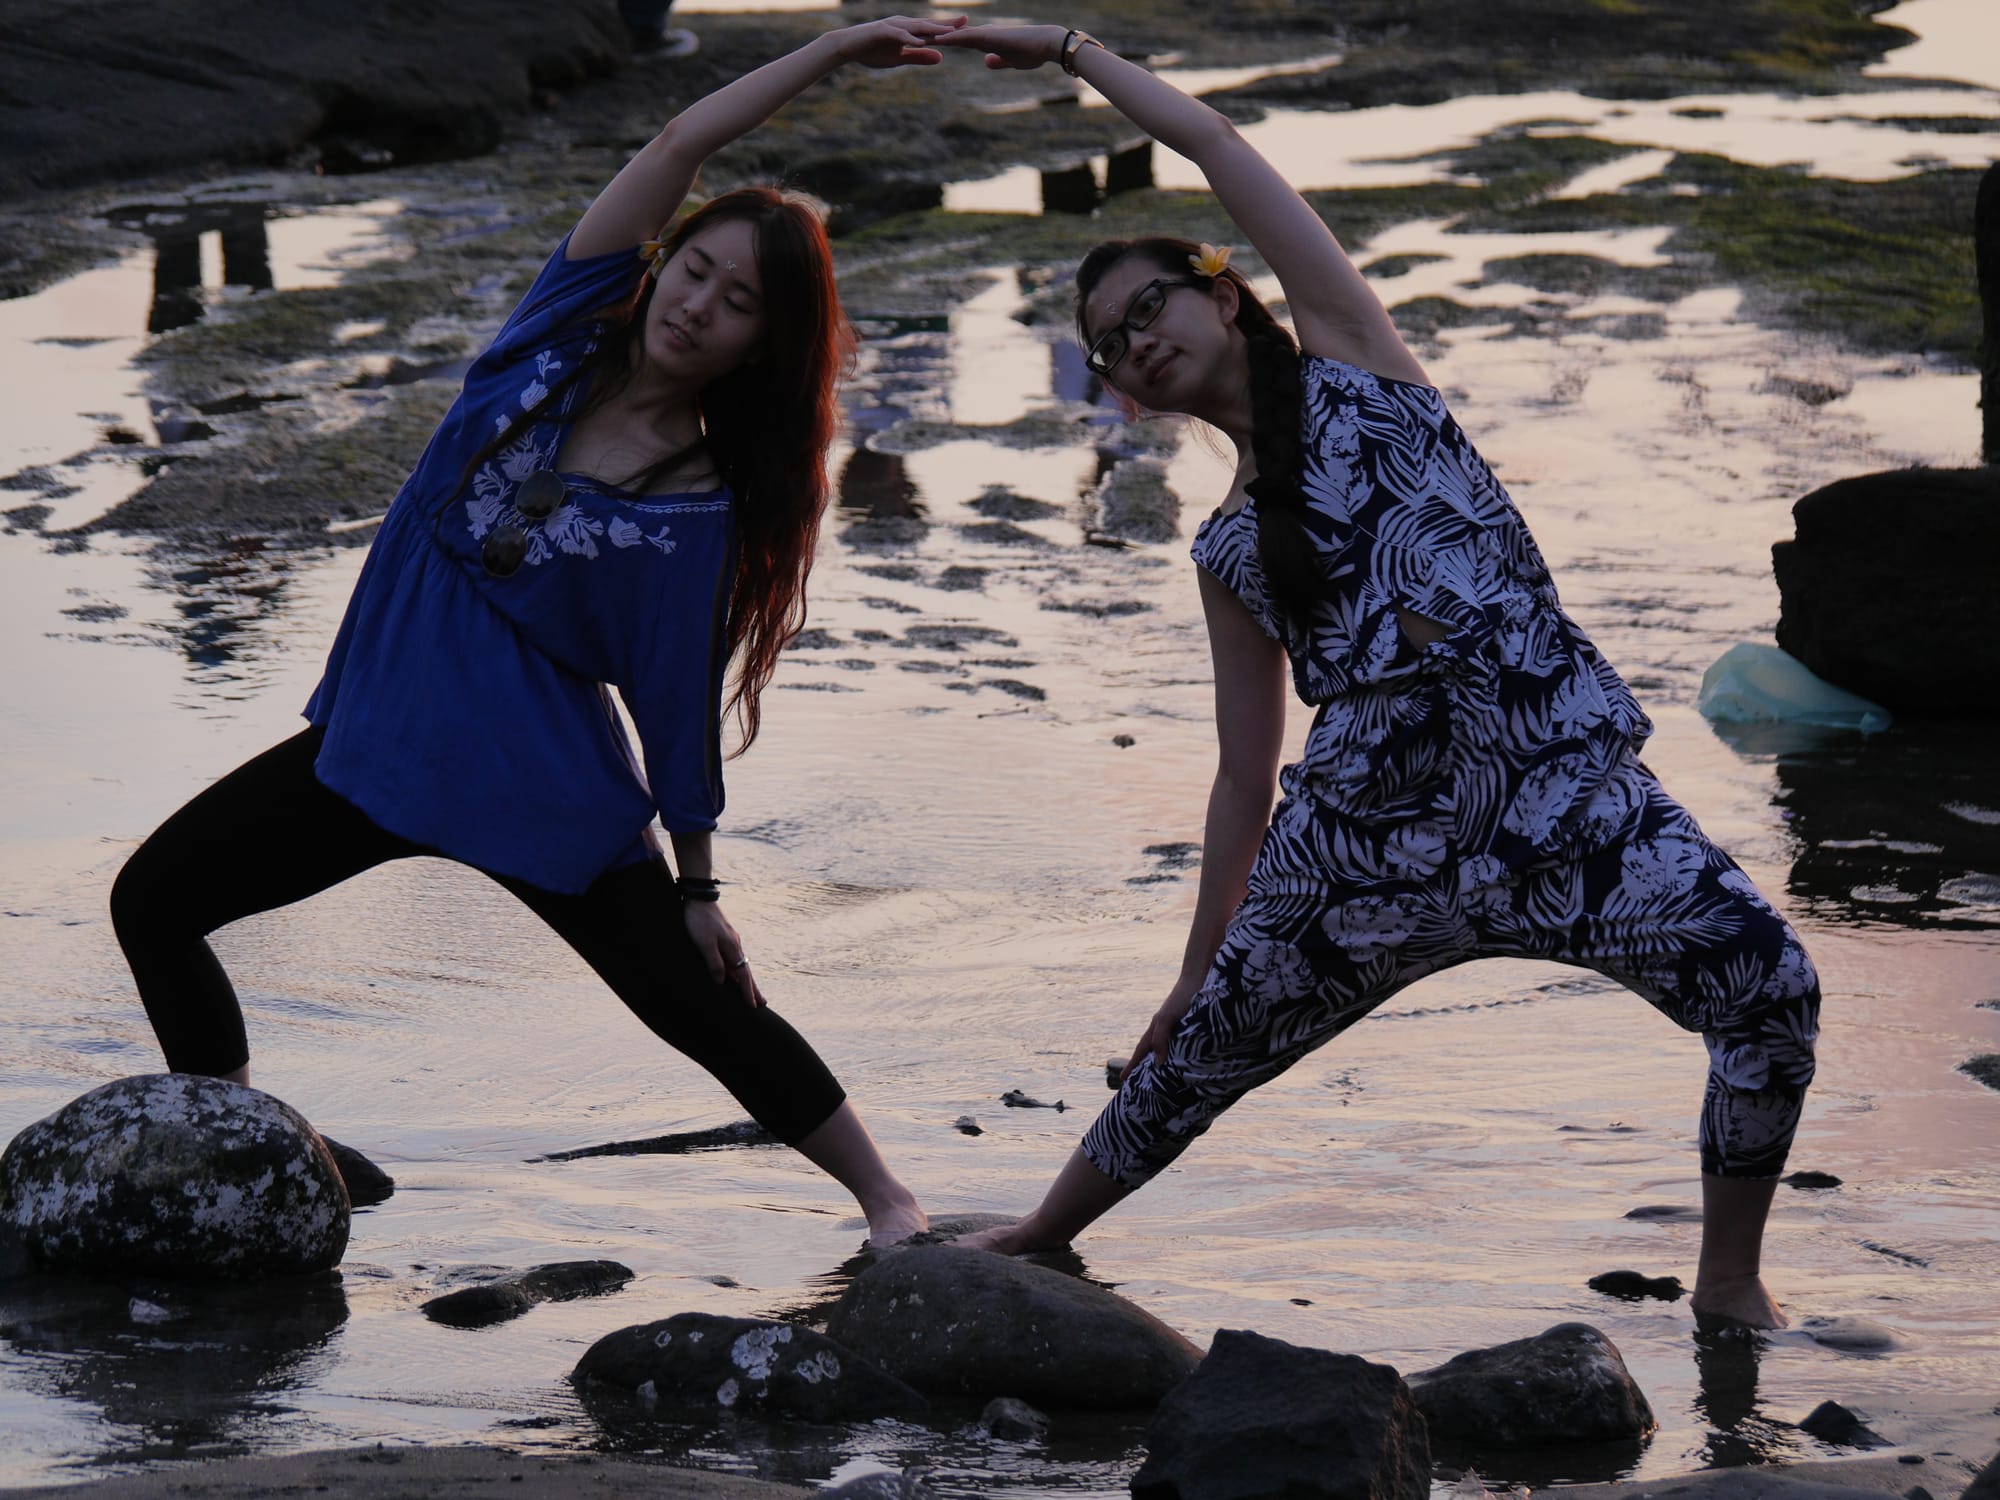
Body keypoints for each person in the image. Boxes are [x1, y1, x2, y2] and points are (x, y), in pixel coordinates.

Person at [939, 22, 1820, 1327]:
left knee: (1771, 989)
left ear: (1222, 294)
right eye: (1110, 347)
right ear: (1122, 395)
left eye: (1147, 309)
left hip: (1561, 805)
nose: (1133, 344)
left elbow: (1217, 146)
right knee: (1195, 1062)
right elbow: (1244, 775)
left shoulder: (1367, 372)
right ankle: (1039, 1233)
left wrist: (1074, 49)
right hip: (1365, 857)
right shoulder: (1228, 545)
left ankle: (1729, 1279)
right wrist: (1200, 963)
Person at [107, 16, 970, 1246]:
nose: (700, 307)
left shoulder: (698, 505)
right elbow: (677, 138)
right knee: (155, 900)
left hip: (533, 783)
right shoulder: (554, 332)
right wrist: (827, 55)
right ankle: (249, 1146)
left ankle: (892, 1204)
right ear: (661, 263)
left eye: (738, 307)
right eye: (697, 273)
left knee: (696, 1003)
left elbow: (675, 700)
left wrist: (699, 882)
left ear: (760, 347)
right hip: (378, 752)